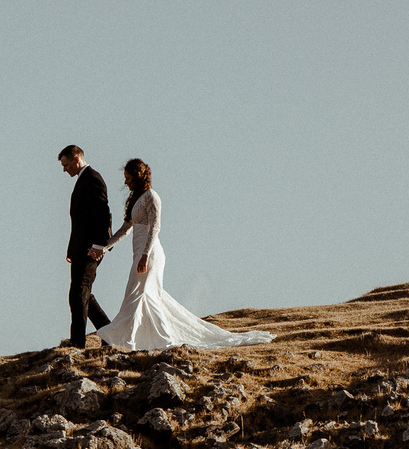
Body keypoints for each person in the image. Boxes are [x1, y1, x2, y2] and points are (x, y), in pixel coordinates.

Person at [93, 159, 273, 352]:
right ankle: (139, 339)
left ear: (137, 177)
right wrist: (104, 247)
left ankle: (150, 340)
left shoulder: (152, 197)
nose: (125, 183)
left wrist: (145, 254)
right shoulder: (136, 199)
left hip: (150, 253)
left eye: (128, 178)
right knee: (136, 294)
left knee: (145, 294)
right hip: (138, 253)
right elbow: (125, 229)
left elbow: (155, 227)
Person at [60, 145, 114, 346]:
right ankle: (110, 335)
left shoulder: (92, 178)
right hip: (81, 249)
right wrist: (72, 251)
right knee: (83, 295)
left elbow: (103, 213)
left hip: (92, 249)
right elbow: (79, 222)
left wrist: (100, 245)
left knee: (78, 294)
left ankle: (77, 343)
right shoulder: (84, 179)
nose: (64, 170)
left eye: (66, 165)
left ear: (76, 159)